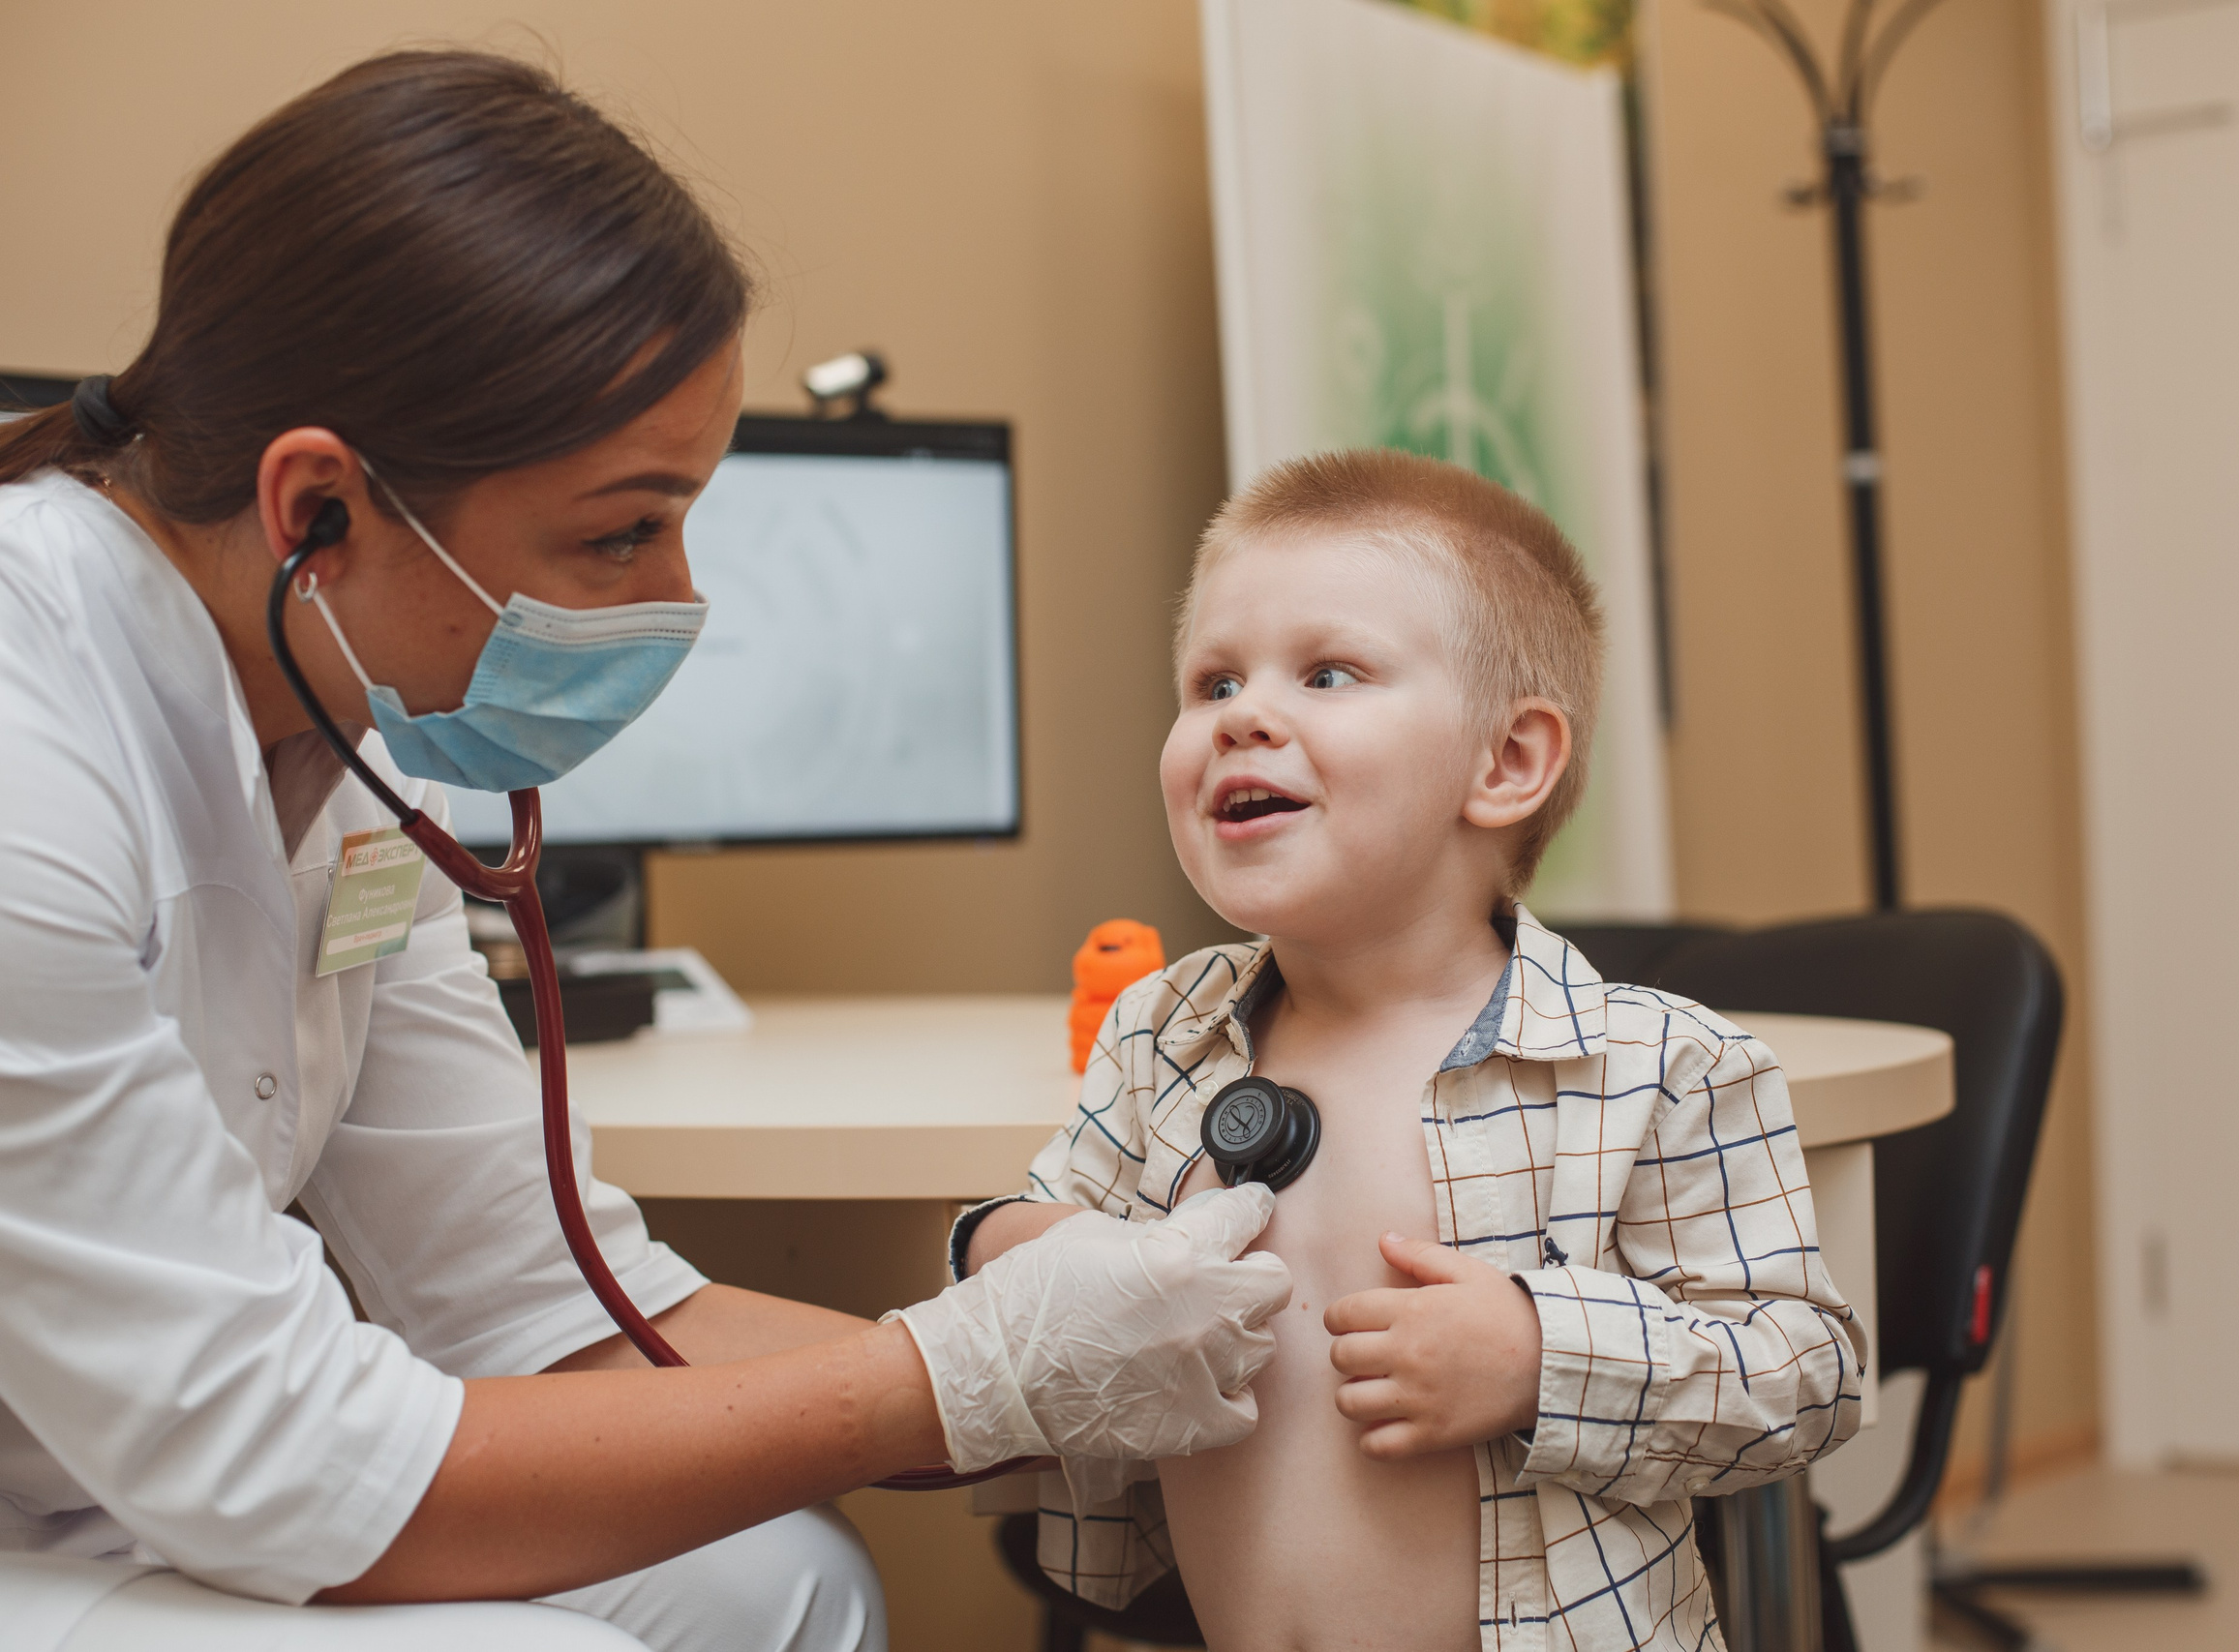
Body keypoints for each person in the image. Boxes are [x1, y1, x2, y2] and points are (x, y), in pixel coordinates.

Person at [0, 50, 1289, 1652]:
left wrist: (1056, 1362)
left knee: (788, 1583)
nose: (682, 596)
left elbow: (537, 1310)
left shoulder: (345, 758)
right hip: (90, 1509)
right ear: (317, 507)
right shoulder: (26, 759)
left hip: (134, 1482)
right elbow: (275, 1452)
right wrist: (958, 1381)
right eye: (621, 530)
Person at [958, 450, 1865, 1650]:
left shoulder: (1660, 1068)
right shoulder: (1162, 1040)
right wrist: (1018, 1246)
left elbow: (1806, 1376)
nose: (1243, 716)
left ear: (1504, 764)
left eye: (1326, 673)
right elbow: (1038, 1230)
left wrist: (1541, 1356)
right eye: (1211, 681)